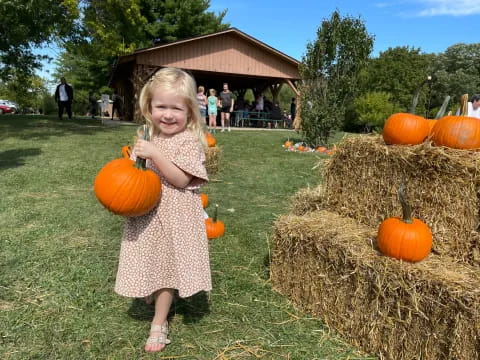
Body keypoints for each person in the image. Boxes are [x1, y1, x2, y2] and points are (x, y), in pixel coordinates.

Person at [115, 67, 211, 353]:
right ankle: (153, 290)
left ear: (190, 112)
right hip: (148, 211)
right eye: (161, 107)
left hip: (176, 214)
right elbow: (136, 173)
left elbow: (181, 179)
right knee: (149, 256)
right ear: (149, 107)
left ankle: (159, 322)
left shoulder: (189, 140)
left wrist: (155, 153)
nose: (168, 115)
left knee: (167, 267)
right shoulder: (147, 135)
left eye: (176, 108)